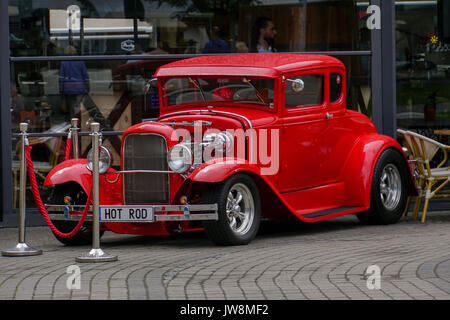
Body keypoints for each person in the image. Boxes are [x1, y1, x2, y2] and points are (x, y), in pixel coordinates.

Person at [59, 45, 90, 122]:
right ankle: (80, 123)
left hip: (68, 89)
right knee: (79, 107)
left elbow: (61, 78)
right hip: (80, 88)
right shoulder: (80, 61)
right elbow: (85, 76)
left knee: (71, 108)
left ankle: (73, 123)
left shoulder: (64, 62)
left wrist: (61, 90)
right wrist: (88, 87)